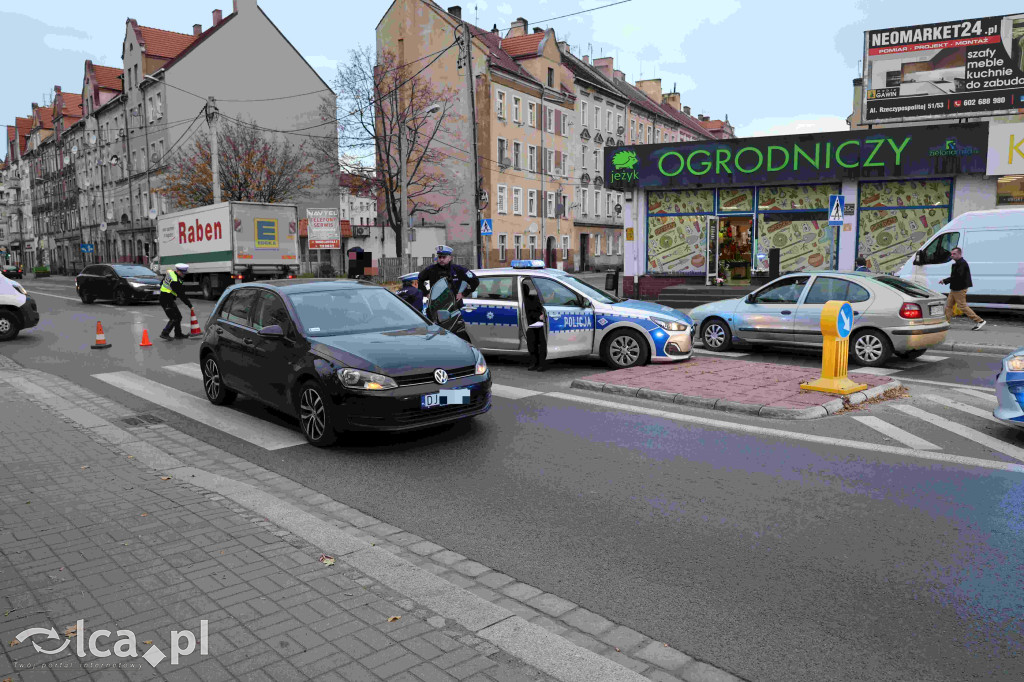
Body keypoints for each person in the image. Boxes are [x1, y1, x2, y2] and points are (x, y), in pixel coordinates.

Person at [940, 247, 985, 331]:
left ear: (960, 254)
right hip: (954, 288)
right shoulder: (958, 263)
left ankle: (979, 321)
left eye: (954, 254)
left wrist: (945, 280)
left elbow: (957, 277)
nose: (952, 255)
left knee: (962, 306)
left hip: (959, 289)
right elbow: (955, 277)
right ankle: (946, 322)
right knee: (948, 306)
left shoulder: (962, 264)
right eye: (951, 254)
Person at [159, 263, 194, 340]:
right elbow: (181, 295)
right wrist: (189, 305)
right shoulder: (175, 280)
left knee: (178, 317)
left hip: (168, 298)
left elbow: (161, 283)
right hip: (166, 299)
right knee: (173, 318)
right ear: (178, 271)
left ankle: (178, 334)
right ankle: (165, 333)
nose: (184, 275)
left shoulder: (171, 274)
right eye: (182, 273)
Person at [522, 280, 547, 371]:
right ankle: (535, 362)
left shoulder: (534, 299)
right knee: (532, 343)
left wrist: (539, 317)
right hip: (530, 324)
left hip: (538, 324)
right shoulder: (524, 301)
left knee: (540, 342)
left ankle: (540, 363)